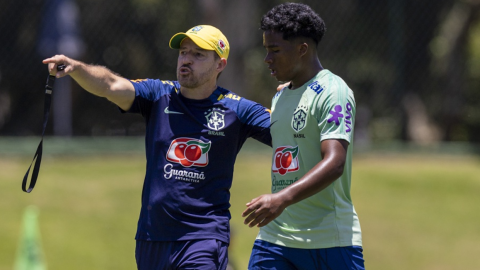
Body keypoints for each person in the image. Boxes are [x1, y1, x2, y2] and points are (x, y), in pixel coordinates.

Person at [43, 25, 271, 270]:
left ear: (220, 65)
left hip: (202, 238)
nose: (186, 59)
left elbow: (292, 136)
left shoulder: (238, 109)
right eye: (184, 52)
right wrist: (77, 69)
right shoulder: (158, 94)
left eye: (198, 55)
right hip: (151, 238)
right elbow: (110, 85)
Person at [242, 3, 365, 270]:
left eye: (274, 50)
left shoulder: (334, 91)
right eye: (266, 50)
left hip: (329, 241)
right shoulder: (280, 94)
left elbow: (335, 163)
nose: (267, 59)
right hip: (275, 239)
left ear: (302, 49)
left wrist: (280, 199)